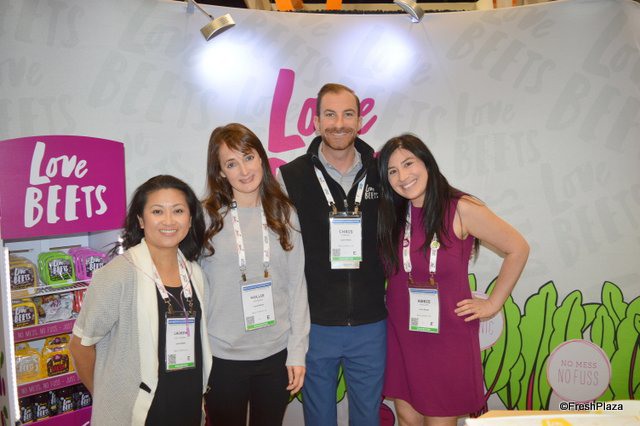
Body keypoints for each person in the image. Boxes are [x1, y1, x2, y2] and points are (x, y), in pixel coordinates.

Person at [377, 134, 530, 426]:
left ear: (426, 163)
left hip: (446, 337)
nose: (403, 177)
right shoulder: (392, 213)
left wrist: (493, 303)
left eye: (408, 163)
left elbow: (518, 248)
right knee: (407, 418)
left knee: (440, 420)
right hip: (402, 334)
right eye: (392, 171)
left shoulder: (461, 208)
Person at [277, 83, 387, 426]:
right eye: (330, 114)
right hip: (315, 325)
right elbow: (280, 250)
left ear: (360, 121)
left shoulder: (383, 173)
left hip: (370, 324)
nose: (339, 123)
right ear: (316, 121)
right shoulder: (289, 176)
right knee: (318, 419)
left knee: (367, 418)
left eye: (348, 114)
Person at [69, 175, 212, 426]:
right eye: (157, 211)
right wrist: (106, 397)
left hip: (187, 406)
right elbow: (80, 346)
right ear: (141, 220)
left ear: (190, 219)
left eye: (178, 211)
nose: (169, 220)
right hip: (138, 413)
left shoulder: (195, 274)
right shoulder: (118, 274)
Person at [201, 123, 309, 426]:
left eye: (248, 157)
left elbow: (296, 286)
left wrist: (297, 351)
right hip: (222, 357)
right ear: (220, 172)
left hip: (276, 355)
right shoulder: (206, 217)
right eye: (231, 164)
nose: (244, 170)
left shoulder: (285, 214)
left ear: (261, 158)